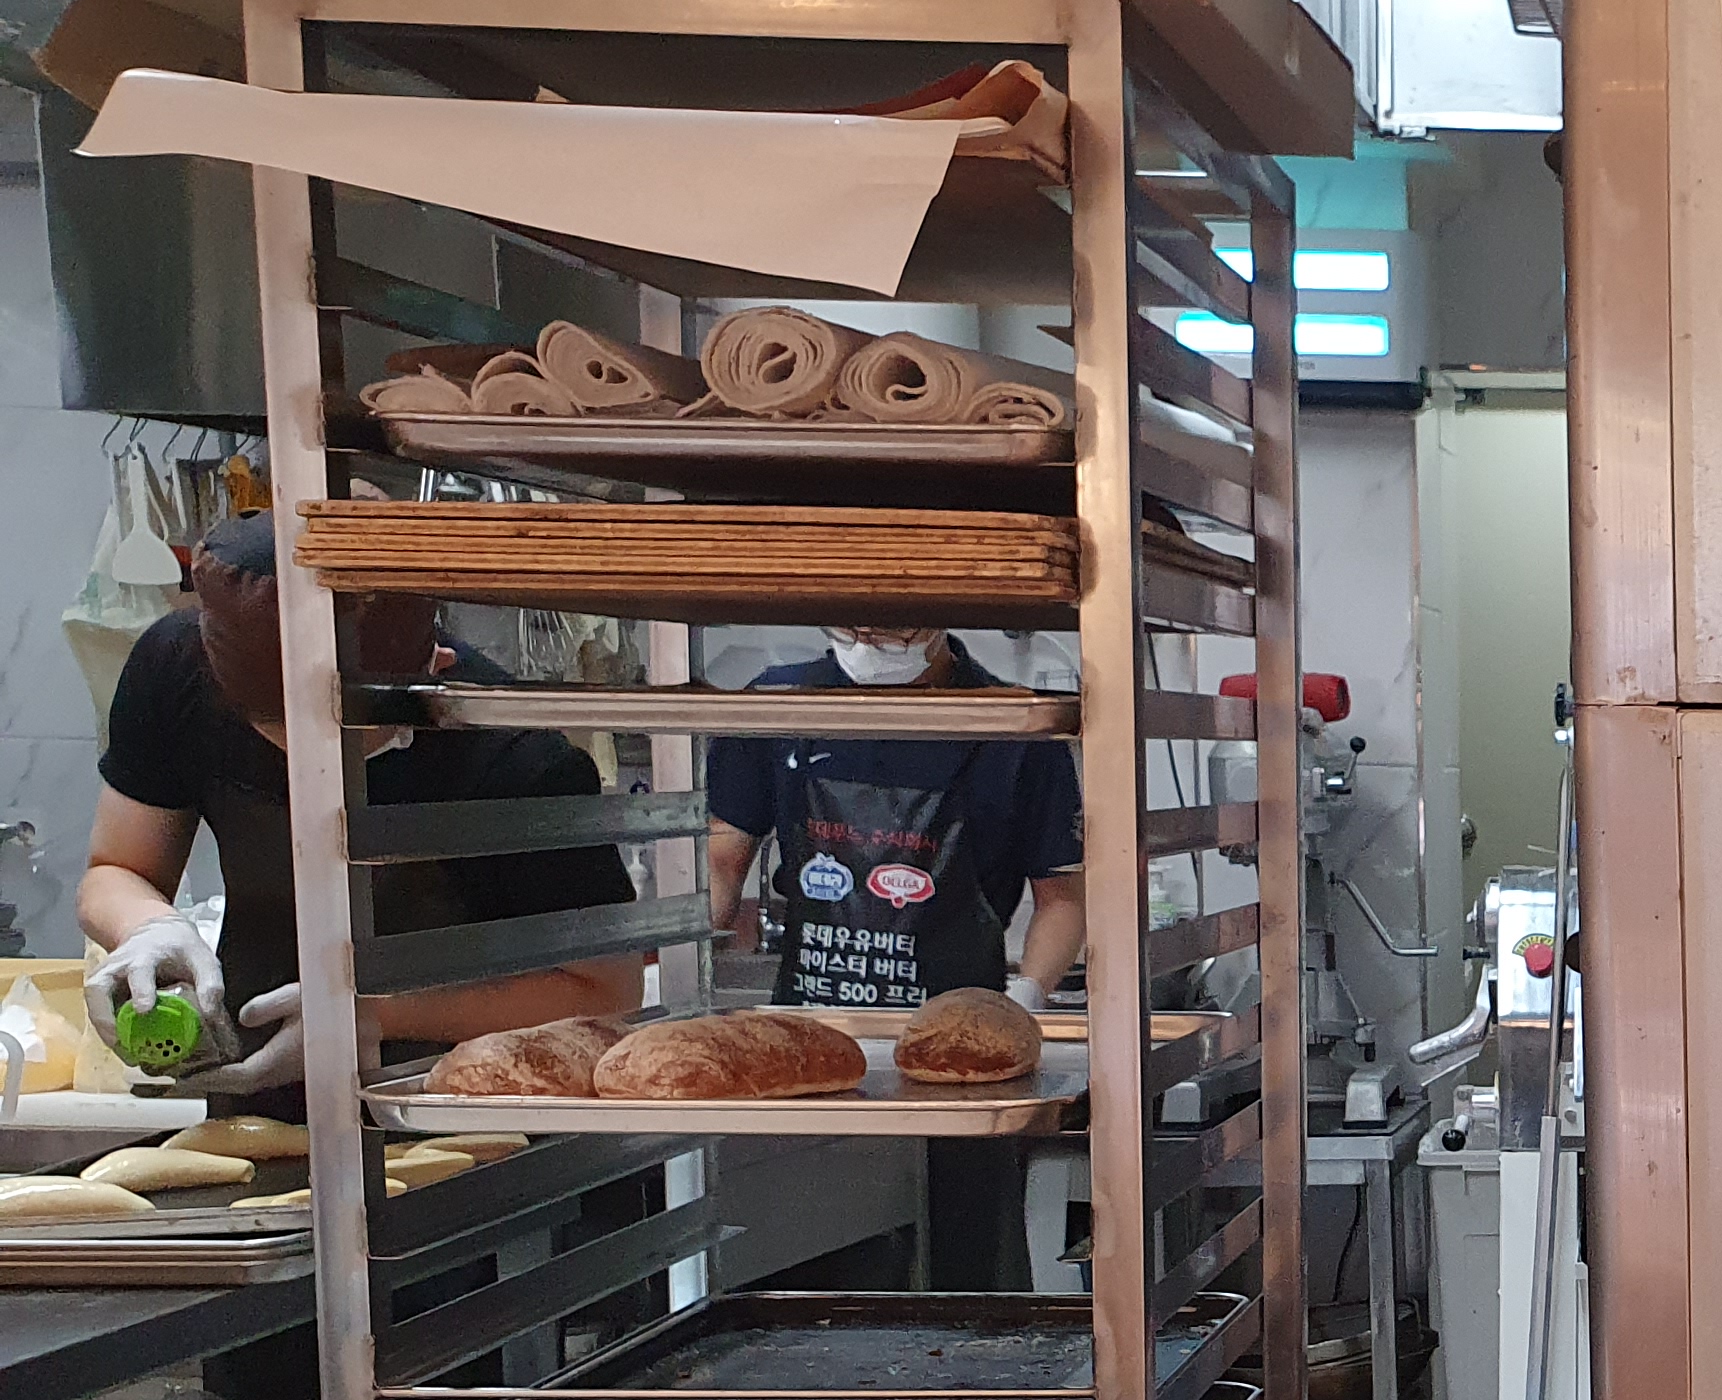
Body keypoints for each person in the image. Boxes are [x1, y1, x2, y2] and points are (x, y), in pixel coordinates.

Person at [79, 511, 643, 1099]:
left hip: (469, 1106)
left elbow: (607, 990)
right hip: (257, 1096)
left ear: (435, 669)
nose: (312, 765)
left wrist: (368, 1015)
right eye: (282, 736)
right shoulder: (175, 670)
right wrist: (149, 928)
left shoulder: (516, 759)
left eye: (344, 738)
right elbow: (117, 867)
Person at [707, 626, 1085, 1289]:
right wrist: (664, 953)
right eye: (854, 624)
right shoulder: (776, 704)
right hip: (810, 1060)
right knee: (804, 1274)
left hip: (961, 1073)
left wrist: (1022, 1002)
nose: (872, 637)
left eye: (895, 624)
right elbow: (721, 861)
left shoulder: (1015, 723)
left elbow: (1064, 899)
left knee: (962, 1280)